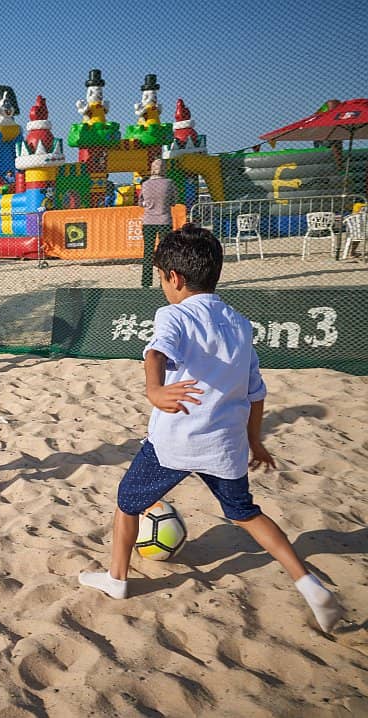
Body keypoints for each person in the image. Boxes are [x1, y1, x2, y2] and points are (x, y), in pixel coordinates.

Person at [78, 225, 345, 634]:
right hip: (226, 445)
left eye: (161, 278)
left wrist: (154, 390)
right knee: (246, 514)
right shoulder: (240, 323)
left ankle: (116, 580)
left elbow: (155, 350)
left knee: (126, 504)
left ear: (175, 278)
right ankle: (309, 585)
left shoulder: (174, 313)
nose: (163, 287)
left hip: (175, 443)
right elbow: (256, 392)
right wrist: (255, 439)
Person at [140, 158, 177, 288]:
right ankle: (164, 281)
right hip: (164, 220)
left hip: (148, 220)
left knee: (148, 252)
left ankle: (146, 282)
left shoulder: (145, 184)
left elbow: (141, 203)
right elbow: (173, 202)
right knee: (165, 252)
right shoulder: (169, 183)